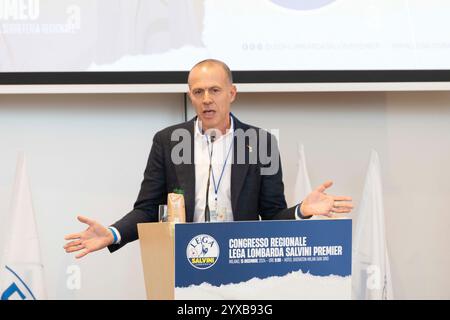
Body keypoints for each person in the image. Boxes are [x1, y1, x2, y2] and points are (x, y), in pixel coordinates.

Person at [64, 59, 353, 258]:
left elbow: (272, 215)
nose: (206, 99)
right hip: (184, 260)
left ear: (232, 93)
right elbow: (148, 209)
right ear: (190, 96)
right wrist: (113, 234)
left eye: (214, 90)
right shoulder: (167, 141)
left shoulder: (261, 141)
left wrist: (302, 210)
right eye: (198, 91)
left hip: (241, 262)